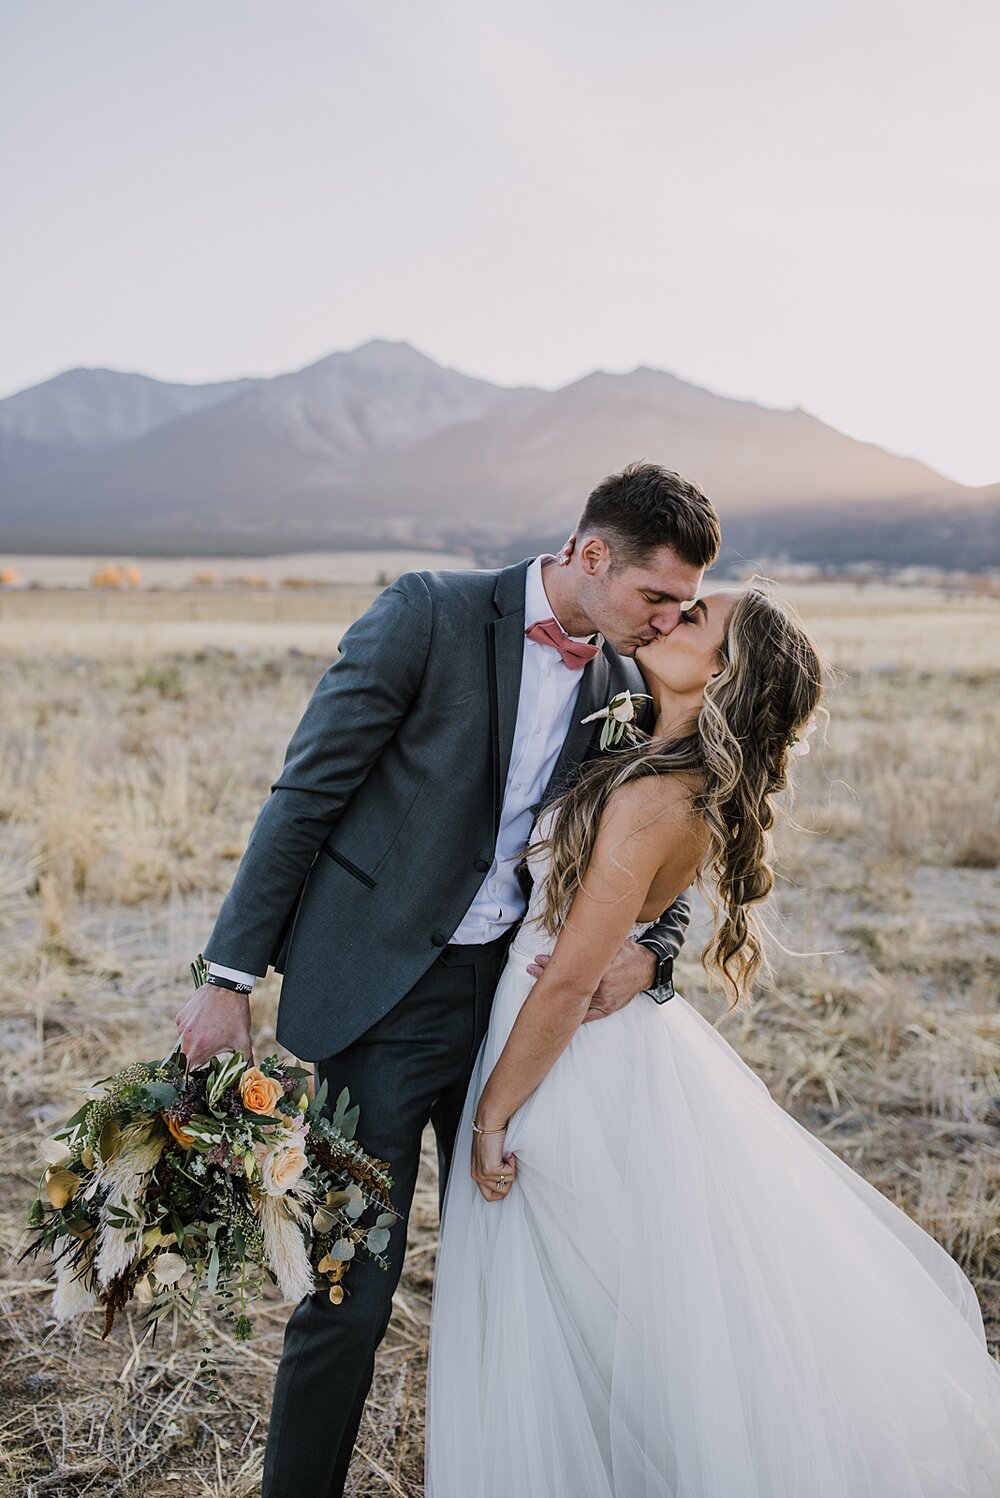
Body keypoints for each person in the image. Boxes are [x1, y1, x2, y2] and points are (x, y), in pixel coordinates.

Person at [174, 461, 722, 1498]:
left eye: (683, 607)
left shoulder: (623, 679)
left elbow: (668, 820)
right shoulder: (425, 614)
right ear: (590, 555)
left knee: (522, 1273)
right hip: (374, 1000)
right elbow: (305, 793)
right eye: (656, 597)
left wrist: (660, 946)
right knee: (349, 1290)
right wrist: (227, 974)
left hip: (514, 1010)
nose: (665, 622)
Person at [425, 586, 1000, 1498]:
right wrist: (654, 961)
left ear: (724, 673)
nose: (668, 619)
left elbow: (571, 978)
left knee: (584, 1297)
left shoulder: (661, 794)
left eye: (695, 620)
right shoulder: (647, 749)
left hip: (569, 1052)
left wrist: (490, 1115)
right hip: (564, 1029)